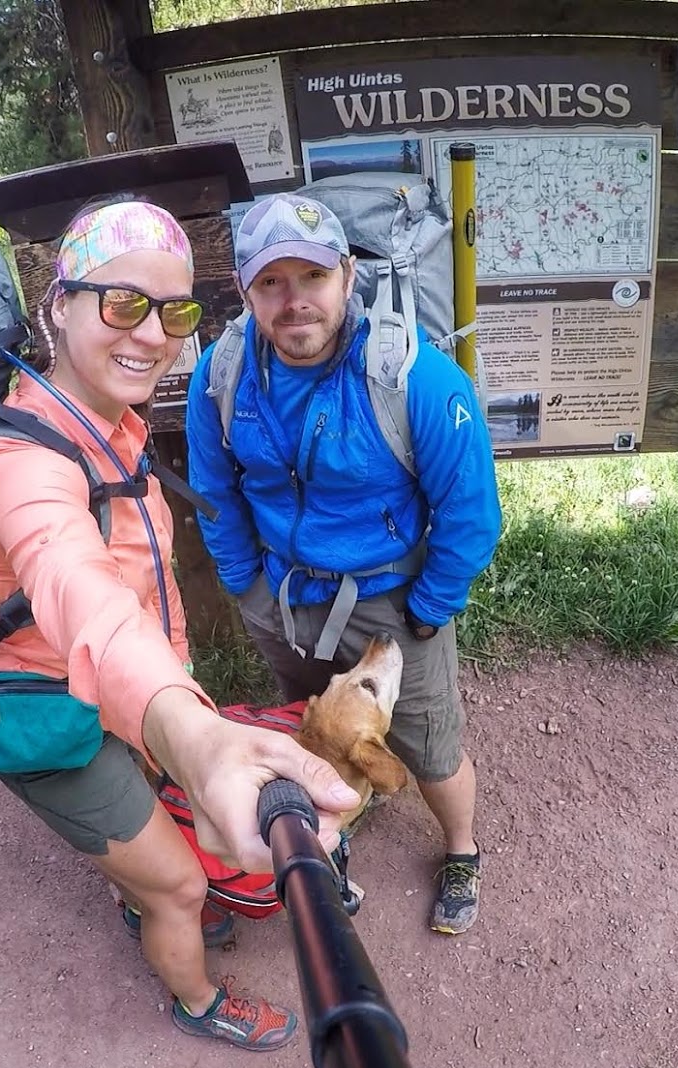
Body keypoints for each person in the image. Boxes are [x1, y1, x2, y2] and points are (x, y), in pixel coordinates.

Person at [0, 197, 361, 1051]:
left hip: (122, 692)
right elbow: (75, 585)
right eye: (122, 302)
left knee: (149, 832)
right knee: (180, 886)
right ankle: (196, 998)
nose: (153, 334)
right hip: (54, 720)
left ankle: (128, 875)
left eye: (174, 311)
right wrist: (195, 733)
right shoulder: (19, 463)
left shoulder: (107, 427)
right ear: (56, 305)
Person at [185, 193, 503, 935]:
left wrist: (429, 607)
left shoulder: (413, 377)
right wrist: (247, 585)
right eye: (272, 283)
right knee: (312, 729)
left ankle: (460, 848)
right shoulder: (221, 375)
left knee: (428, 745)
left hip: (392, 603)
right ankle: (337, 811)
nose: (294, 302)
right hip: (283, 597)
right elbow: (214, 491)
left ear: (348, 275)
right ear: (245, 290)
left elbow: (469, 509)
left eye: (312, 277)